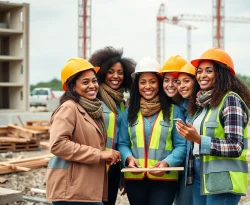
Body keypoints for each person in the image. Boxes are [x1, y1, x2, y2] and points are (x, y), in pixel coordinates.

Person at [175, 48, 250, 205]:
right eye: (199, 71)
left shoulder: (230, 100)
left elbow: (235, 146)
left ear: (221, 73)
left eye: (209, 71)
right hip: (200, 174)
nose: (202, 75)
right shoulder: (203, 104)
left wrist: (198, 139)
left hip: (223, 178)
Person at [46, 57, 121, 205]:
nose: (92, 85)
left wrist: (107, 154)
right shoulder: (69, 108)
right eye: (85, 82)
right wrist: (99, 154)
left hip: (85, 188)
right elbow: (58, 144)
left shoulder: (91, 110)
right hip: (70, 191)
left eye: (94, 81)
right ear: (72, 87)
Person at [118, 57, 187, 205]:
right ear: (137, 85)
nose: (147, 86)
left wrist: (167, 163)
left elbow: (181, 145)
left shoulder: (174, 111)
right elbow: (123, 143)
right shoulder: (128, 113)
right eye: (143, 82)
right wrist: (128, 158)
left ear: (159, 84)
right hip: (135, 179)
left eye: (153, 81)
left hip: (165, 179)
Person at [89, 47, 135, 205]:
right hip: (95, 163)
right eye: (111, 71)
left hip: (114, 166)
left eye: (120, 72)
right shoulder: (93, 99)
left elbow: (122, 139)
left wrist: (124, 173)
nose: (116, 76)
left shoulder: (122, 104)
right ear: (102, 73)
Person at [173, 62, 199, 205]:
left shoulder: (202, 107)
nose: (181, 85)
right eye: (179, 82)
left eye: (186, 81)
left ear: (196, 82)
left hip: (198, 169)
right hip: (187, 168)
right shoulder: (182, 106)